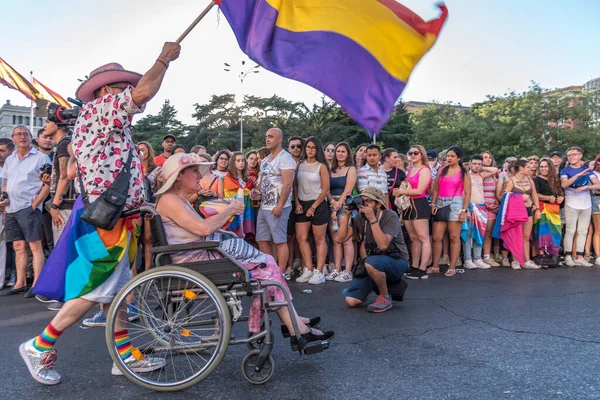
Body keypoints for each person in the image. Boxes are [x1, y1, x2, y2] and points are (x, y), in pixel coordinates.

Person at [18, 42, 181, 386]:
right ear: (107, 90)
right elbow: (145, 91)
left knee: (117, 293)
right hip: (106, 221)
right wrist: (164, 59)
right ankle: (38, 345)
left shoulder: (109, 121)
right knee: (96, 289)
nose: (131, 93)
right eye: (123, 87)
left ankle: (123, 357)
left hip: (113, 218)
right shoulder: (103, 108)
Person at [155, 153, 334, 343]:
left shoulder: (176, 199)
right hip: (196, 261)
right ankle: (292, 324)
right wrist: (230, 210)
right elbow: (203, 228)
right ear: (179, 176)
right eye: (194, 171)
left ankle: (291, 320)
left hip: (200, 255)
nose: (200, 175)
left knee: (267, 263)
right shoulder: (170, 200)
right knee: (266, 267)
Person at [334, 187, 410, 313]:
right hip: (374, 262)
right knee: (351, 301)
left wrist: (373, 220)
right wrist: (346, 216)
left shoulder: (390, 216)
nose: (363, 205)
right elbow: (339, 239)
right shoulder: (360, 218)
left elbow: (384, 246)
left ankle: (385, 297)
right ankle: (375, 282)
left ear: (379, 204)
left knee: (371, 262)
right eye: (361, 201)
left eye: (367, 201)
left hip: (397, 260)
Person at [0, 125, 51, 298]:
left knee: (35, 246)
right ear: (13, 138)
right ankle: (20, 283)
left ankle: (37, 284)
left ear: (31, 138)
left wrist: (35, 204)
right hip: (12, 208)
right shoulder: (10, 159)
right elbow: (7, 183)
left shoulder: (41, 158)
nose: (22, 136)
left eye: (26, 134)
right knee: (18, 246)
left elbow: (48, 185)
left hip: (28, 208)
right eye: (18, 134)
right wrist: (4, 198)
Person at [254, 128, 296, 273]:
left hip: (278, 207)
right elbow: (262, 181)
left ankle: (280, 274)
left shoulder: (286, 158)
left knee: (279, 241)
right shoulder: (265, 160)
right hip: (264, 206)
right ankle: (271, 270)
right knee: (261, 240)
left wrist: (280, 205)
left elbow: (288, 184)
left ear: (279, 139)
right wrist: (256, 192)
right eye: (266, 136)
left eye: (271, 137)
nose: (267, 139)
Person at [294, 137, 330, 285]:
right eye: (308, 147)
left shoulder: (321, 166)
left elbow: (326, 189)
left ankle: (319, 271)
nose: (310, 150)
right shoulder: (299, 164)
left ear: (318, 149)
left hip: (318, 204)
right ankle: (308, 269)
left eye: (313, 147)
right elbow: (295, 185)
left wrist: (314, 207)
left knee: (319, 239)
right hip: (301, 204)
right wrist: (297, 203)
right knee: (301, 238)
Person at [430, 146, 471, 277]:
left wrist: (464, 210)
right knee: (437, 237)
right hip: (441, 202)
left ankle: (452, 267)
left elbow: (467, 193)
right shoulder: (442, 170)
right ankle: (435, 266)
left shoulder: (463, 173)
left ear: (459, 158)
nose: (449, 158)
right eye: (448, 156)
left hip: (456, 203)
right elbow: (436, 189)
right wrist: (433, 203)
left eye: (452, 156)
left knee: (454, 237)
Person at [560, 147, 600, 267]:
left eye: (574, 154)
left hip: (586, 203)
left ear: (580, 156)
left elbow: (598, 185)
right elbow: (564, 184)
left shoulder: (588, 170)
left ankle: (579, 256)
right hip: (571, 202)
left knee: (583, 231)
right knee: (570, 230)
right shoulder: (565, 170)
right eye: (569, 155)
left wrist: (587, 187)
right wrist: (578, 175)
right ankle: (568, 256)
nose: (571, 157)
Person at [398, 145, 432, 280]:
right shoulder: (410, 170)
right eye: (410, 153)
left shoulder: (424, 170)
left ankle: (423, 268)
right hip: (408, 205)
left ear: (422, 154)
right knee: (413, 238)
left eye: (415, 153)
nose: (412, 155)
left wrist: (401, 191)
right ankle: (415, 266)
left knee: (423, 237)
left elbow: (419, 190)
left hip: (418, 204)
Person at [503, 159, 543, 269]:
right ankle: (515, 260)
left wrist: (538, 208)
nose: (530, 169)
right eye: (528, 167)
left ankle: (527, 260)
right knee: (517, 236)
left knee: (526, 237)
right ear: (521, 168)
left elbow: (534, 194)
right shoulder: (511, 181)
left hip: (528, 211)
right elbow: (505, 197)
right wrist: (520, 197)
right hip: (516, 212)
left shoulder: (530, 179)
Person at [327, 142, 357, 282]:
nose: (339, 153)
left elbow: (348, 189)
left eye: (343, 151)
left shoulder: (351, 169)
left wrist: (338, 205)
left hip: (345, 206)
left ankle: (347, 271)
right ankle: (337, 269)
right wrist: (332, 203)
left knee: (346, 239)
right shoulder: (330, 169)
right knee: (335, 239)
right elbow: (326, 189)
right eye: (338, 151)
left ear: (347, 153)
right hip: (331, 205)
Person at [462, 155, 498, 270]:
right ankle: (467, 259)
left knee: (480, 234)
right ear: (470, 163)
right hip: (472, 207)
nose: (477, 166)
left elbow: (495, 170)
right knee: (468, 234)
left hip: (482, 208)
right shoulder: (465, 176)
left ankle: (478, 258)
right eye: (475, 163)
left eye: (479, 164)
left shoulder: (481, 175)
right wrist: (466, 209)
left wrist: (482, 168)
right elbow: (463, 193)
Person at [533, 158, 564, 266]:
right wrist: (547, 197)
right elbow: (534, 194)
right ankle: (541, 256)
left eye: (546, 166)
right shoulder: (536, 179)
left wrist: (561, 197)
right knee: (542, 232)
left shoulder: (555, 180)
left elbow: (561, 193)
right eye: (541, 166)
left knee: (556, 232)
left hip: (555, 210)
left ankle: (553, 255)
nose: (543, 169)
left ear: (550, 167)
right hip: (543, 208)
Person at [218, 151, 255, 238]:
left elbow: (251, 196)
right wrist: (243, 192)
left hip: (247, 210)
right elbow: (225, 197)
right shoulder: (227, 177)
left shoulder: (248, 179)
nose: (241, 163)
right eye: (238, 161)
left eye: (242, 161)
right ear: (233, 162)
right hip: (233, 212)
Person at [138, 141, 161, 272]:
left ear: (149, 151)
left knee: (148, 239)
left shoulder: (156, 170)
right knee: (135, 239)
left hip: (149, 205)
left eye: (144, 149)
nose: (141, 151)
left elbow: (158, 190)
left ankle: (148, 269)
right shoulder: (134, 167)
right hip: (136, 205)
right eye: (139, 149)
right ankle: (134, 270)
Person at [285, 136, 304, 277]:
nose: (296, 148)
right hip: (289, 202)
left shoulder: (307, 163)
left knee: (304, 237)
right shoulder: (285, 162)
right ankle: (290, 267)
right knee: (290, 236)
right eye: (293, 146)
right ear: (288, 148)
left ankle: (304, 267)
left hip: (306, 201)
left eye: (299, 146)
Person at [0, 138, 15, 290]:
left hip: (10, 211)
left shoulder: (14, 166)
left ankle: (10, 275)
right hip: (6, 211)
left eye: (2, 151)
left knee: (9, 246)